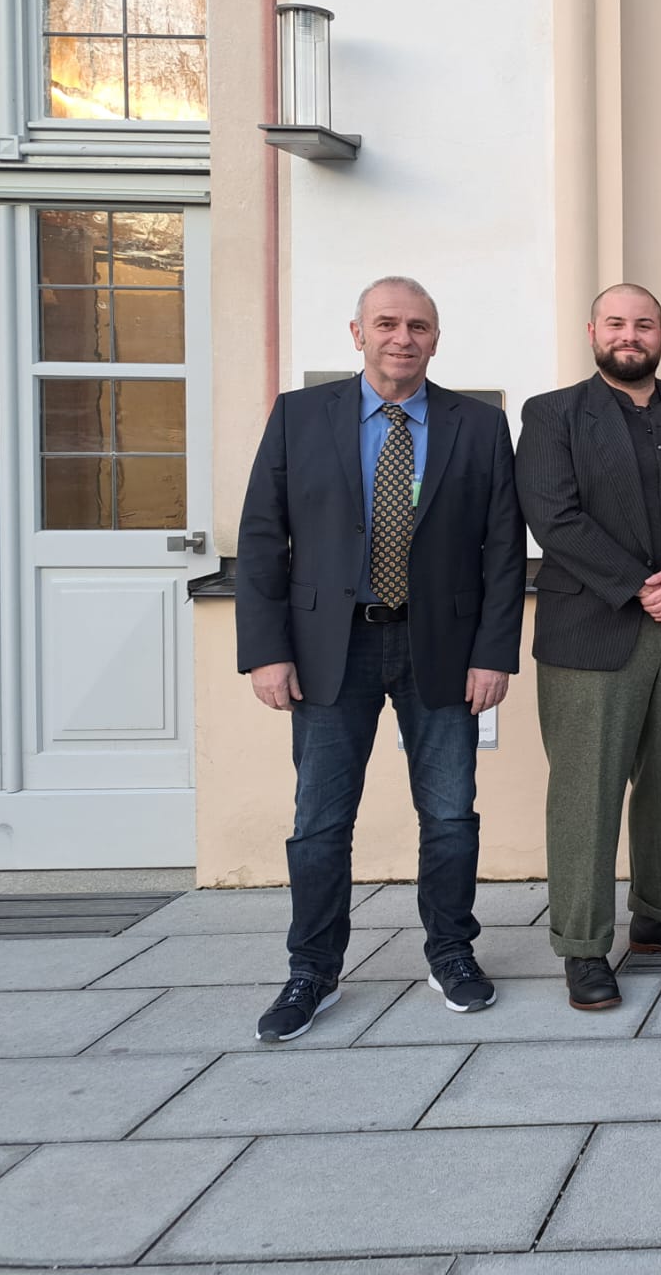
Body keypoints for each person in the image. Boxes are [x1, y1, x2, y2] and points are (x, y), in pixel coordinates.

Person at [237, 276, 525, 1041]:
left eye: (420, 326)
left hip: (444, 648)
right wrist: (266, 652)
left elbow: (503, 550)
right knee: (321, 821)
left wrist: (495, 653)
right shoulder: (301, 417)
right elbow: (264, 536)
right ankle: (312, 970)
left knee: (450, 814)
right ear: (356, 332)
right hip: (331, 648)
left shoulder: (480, 425)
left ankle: (452, 953)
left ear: (437, 337)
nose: (404, 337)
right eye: (388, 324)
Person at [516, 283, 661, 1011]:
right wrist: (649, 586)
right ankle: (584, 945)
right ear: (593, 330)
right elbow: (554, 518)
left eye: (643, 324)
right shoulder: (553, 414)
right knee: (586, 790)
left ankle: (660, 914)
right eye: (616, 322)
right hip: (594, 630)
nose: (630, 334)